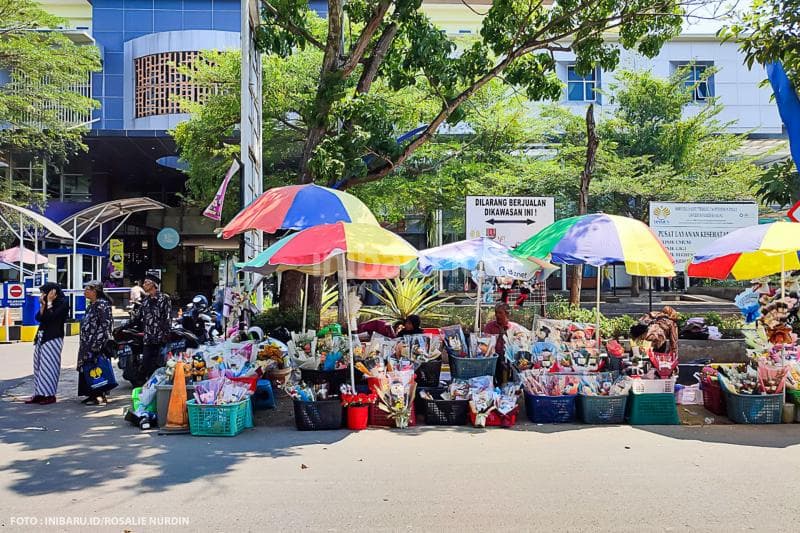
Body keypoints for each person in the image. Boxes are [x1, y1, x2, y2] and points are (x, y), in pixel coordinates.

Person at [26, 282, 69, 405]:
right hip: (42, 336)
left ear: (53, 292)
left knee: (49, 366)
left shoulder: (63, 302)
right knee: (39, 365)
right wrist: (43, 304)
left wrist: (49, 302)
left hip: (54, 337)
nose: (43, 295)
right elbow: (39, 318)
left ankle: (49, 394)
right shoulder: (47, 302)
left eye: (45, 292)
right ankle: (39, 393)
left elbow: (52, 317)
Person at [77, 281, 114, 405]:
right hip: (86, 343)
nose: (85, 291)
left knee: (97, 368)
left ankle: (99, 395)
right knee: (87, 368)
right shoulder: (91, 305)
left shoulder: (102, 305)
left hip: (96, 344)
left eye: (88, 289)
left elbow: (105, 326)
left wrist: (96, 345)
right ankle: (91, 394)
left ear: (95, 291)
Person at [135, 274, 172, 379]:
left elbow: (168, 317)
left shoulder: (164, 298)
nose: (143, 285)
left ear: (153, 284)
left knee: (159, 365)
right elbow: (138, 316)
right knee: (146, 363)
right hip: (148, 338)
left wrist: (166, 334)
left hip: (160, 338)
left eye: (146, 282)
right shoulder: (145, 300)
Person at [483, 302, 521, 384]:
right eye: (496, 312)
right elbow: (484, 345)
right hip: (493, 359)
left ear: (507, 314)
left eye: (500, 313)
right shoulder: (489, 327)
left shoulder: (514, 328)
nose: (497, 315)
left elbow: (520, 345)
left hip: (511, 360)